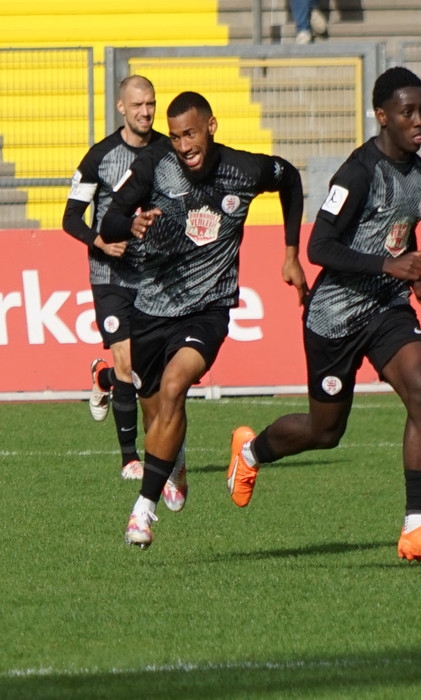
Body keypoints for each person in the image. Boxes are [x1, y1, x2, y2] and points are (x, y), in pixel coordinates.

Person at [226, 67, 421, 563]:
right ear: (382, 116)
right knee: (325, 432)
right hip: (334, 318)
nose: (419, 120)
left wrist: (416, 284)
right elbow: (320, 247)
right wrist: (388, 266)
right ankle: (249, 452)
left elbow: (399, 229)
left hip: (387, 308)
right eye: (407, 112)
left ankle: (415, 527)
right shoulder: (357, 172)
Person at [100, 90, 309, 549]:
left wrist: (291, 253)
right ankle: (174, 461)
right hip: (152, 307)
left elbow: (290, 178)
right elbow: (109, 220)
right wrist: (130, 225)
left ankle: (142, 510)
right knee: (157, 411)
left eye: (190, 134)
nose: (183, 145)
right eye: (175, 137)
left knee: (176, 386)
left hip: (208, 310)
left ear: (210, 127)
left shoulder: (244, 170)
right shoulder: (155, 165)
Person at [61, 76, 188, 512]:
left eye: (151, 104)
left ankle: (104, 380)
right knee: (129, 362)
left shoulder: (168, 152)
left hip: (153, 276)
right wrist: (98, 241)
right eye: (137, 105)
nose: (146, 112)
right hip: (110, 274)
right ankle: (130, 459)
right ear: (121, 107)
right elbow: (70, 217)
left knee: (148, 370)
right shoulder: (100, 157)